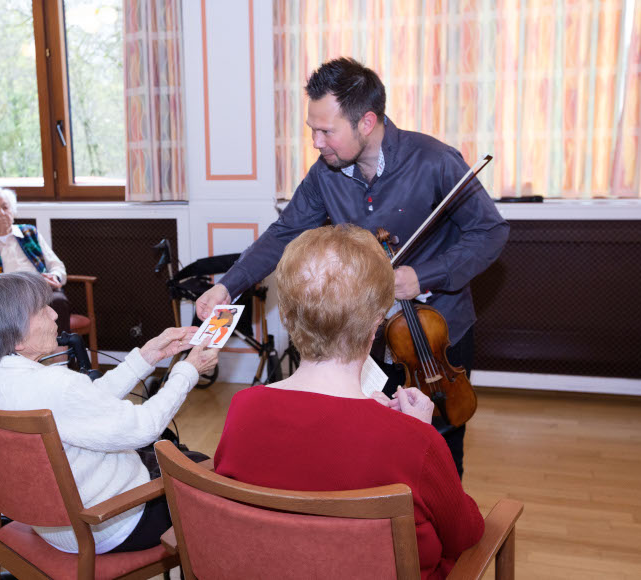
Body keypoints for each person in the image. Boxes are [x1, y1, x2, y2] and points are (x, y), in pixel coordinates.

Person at [197, 57, 510, 476]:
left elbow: (490, 232)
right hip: (367, 334)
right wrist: (227, 287)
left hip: (439, 332)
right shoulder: (325, 174)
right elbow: (283, 233)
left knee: (440, 438)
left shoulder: (434, 160)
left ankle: (441, 524)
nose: (317, 142)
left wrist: (422, 276)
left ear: (366, 122)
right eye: (312, 130)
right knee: (370, 438)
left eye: (327, 131)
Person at [213, 225, 484, 580]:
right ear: (375, 326)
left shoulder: (242, 408)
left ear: (288, 318)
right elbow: (465, 534)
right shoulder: (415, 440)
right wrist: (416, 433)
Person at [0, 271, 218, 555]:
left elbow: (85, 405)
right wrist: (188, 371)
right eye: (41, 311)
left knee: (183, 459)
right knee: (207, 475)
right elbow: (144, 426)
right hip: (110, 523)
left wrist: (148, 356)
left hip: (50, 524)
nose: (55, 315)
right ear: (17, 338)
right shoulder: (55, 386)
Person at [0, 186, 74, 334]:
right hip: (9, 302)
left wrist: (54, 277)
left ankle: (61, 357)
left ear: (13, 209)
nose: (2, 213)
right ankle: (33, 356)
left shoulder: (29, 233)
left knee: (58, 302)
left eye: (5, 207)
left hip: (43, 293)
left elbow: (56, 265)